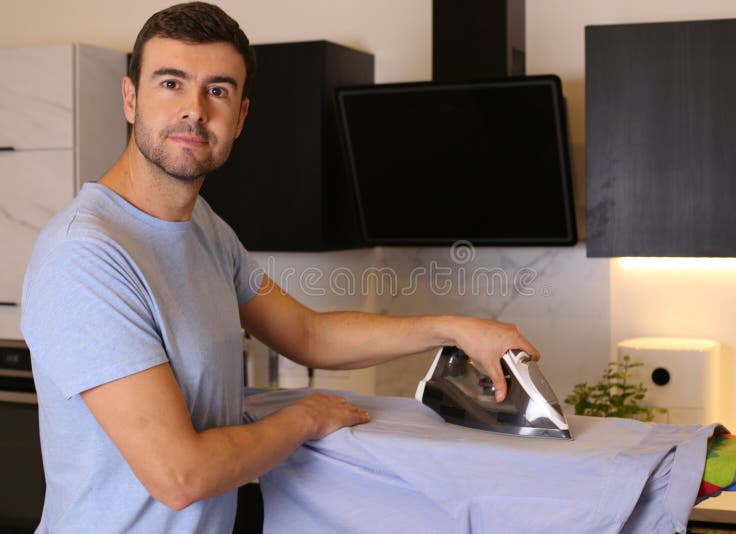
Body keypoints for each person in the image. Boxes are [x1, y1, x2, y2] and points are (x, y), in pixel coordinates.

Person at [20, 2, 539, 532]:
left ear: (240, 117)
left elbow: (308, 334)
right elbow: (180, 475)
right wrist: (306, 418)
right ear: (131, 98)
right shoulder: (85, 255)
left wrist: (453, 329)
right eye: (171, 83)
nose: (194, 110)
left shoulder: (204, 228)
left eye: (218, 90)